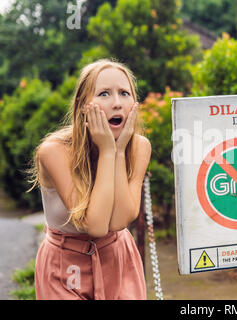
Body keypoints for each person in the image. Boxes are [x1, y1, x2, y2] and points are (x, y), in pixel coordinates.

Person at [28, 59, 151, 300]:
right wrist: (107, 151)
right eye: (104, 93)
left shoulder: (138, 147)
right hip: (65, 267)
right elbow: (94, 225)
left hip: (117, 258)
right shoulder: (54, 151)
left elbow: (118, 222)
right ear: (83, 105)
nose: (117, 103)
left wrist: (118, 151)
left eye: (124, 93)